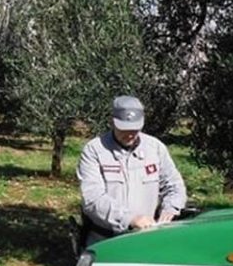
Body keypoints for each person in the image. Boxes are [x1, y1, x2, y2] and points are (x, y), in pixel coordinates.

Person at [77, 95, 187, 246]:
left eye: (135, 129)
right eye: (124, 129)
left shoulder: (155, 148)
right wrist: (131, 219)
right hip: (105, 241)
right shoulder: (94, 150)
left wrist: (171, 208)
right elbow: (92, 198)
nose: (130, 134)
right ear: (112, 122)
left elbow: (174, 185)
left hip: (146, 239)